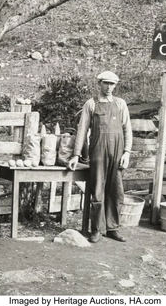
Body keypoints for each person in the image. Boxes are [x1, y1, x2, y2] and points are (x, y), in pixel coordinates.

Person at [68, 71, 132, 243]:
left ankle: (113, 228)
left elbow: (127, 130)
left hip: (117, 153)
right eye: (106, 83)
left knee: (116, 192)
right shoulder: (91, 104)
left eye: (112, 84)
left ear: (116, 85)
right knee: (97, 192)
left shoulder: (120, 104)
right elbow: (82, 130)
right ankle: (96, 229)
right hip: (98, 153)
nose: (109, 87)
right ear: (99, 84)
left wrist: (127, 152)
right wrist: (76, 155)